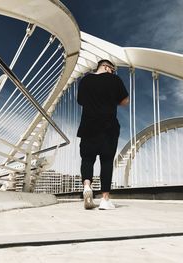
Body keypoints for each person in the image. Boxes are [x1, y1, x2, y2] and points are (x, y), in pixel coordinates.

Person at [77, 59, 129, 210]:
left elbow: (80, 101)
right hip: (109, 127)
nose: (113, 72)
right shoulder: (114, 80)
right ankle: (105, 200)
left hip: (88, 126)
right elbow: (125, 100)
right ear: (107, 67)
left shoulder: (85, 80)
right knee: (106, 162)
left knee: (87, 159)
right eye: (112, 70)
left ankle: (87, 186)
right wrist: (112, 100)